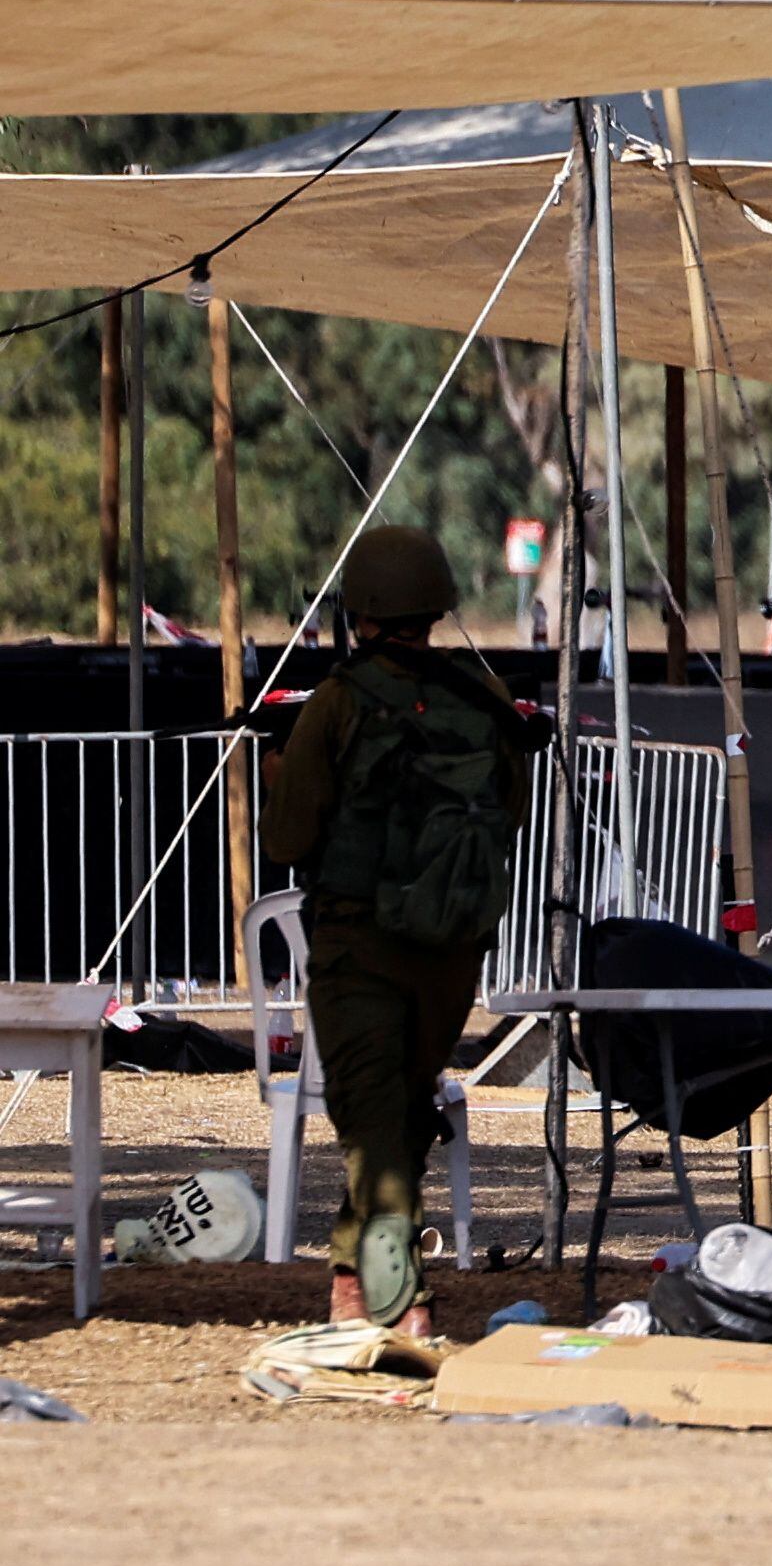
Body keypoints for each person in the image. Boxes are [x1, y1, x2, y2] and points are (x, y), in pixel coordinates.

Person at [260, 525, 548, 1336]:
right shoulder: (486, 698)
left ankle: (401, 1303)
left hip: (360, 947)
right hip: (453, 947)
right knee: (397, 1116)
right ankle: (352, 1285)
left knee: (373, 1117)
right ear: (435, 605)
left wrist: (281, 774)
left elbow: (286, 840)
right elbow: (510, 815)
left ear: (360, 612)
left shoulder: (341, 700)